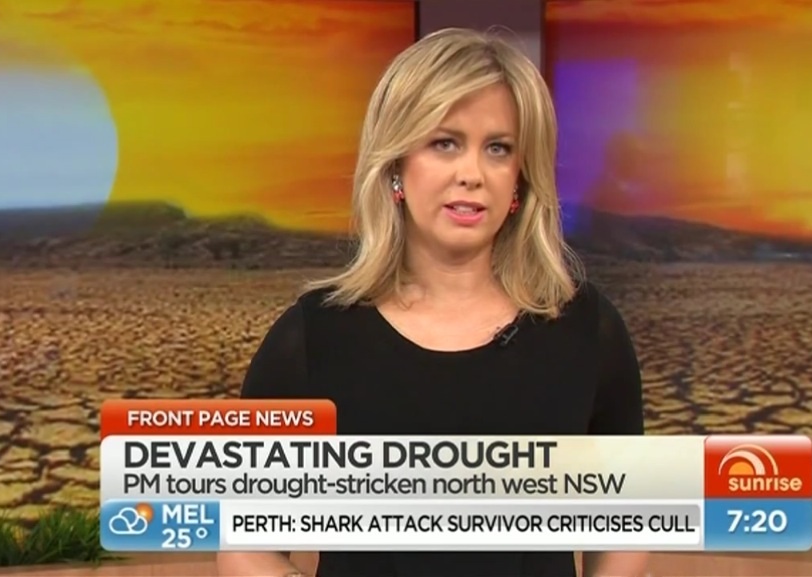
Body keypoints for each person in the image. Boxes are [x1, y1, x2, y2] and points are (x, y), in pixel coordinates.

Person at [217, 27, 647, 577]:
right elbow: (247, 545)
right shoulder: (313, 338)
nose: (472, 174)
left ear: (520, 180)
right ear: (396, 165)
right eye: (445, 143)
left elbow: (625, 531)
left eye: (498, 148)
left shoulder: (585, 330)